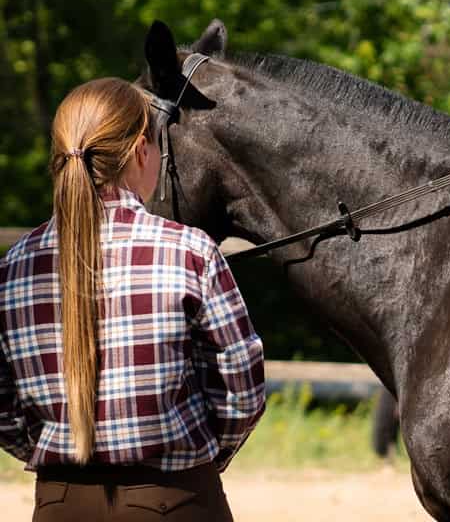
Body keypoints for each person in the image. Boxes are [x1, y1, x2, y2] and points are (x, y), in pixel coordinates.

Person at [0, 78, 266, 521]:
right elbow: (242, 387)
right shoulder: (190, 252)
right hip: (175, 500)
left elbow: (3, 403)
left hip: (59, 505)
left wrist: (52, 453)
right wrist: (196, 454)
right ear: (142, 150)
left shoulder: (13, 268)